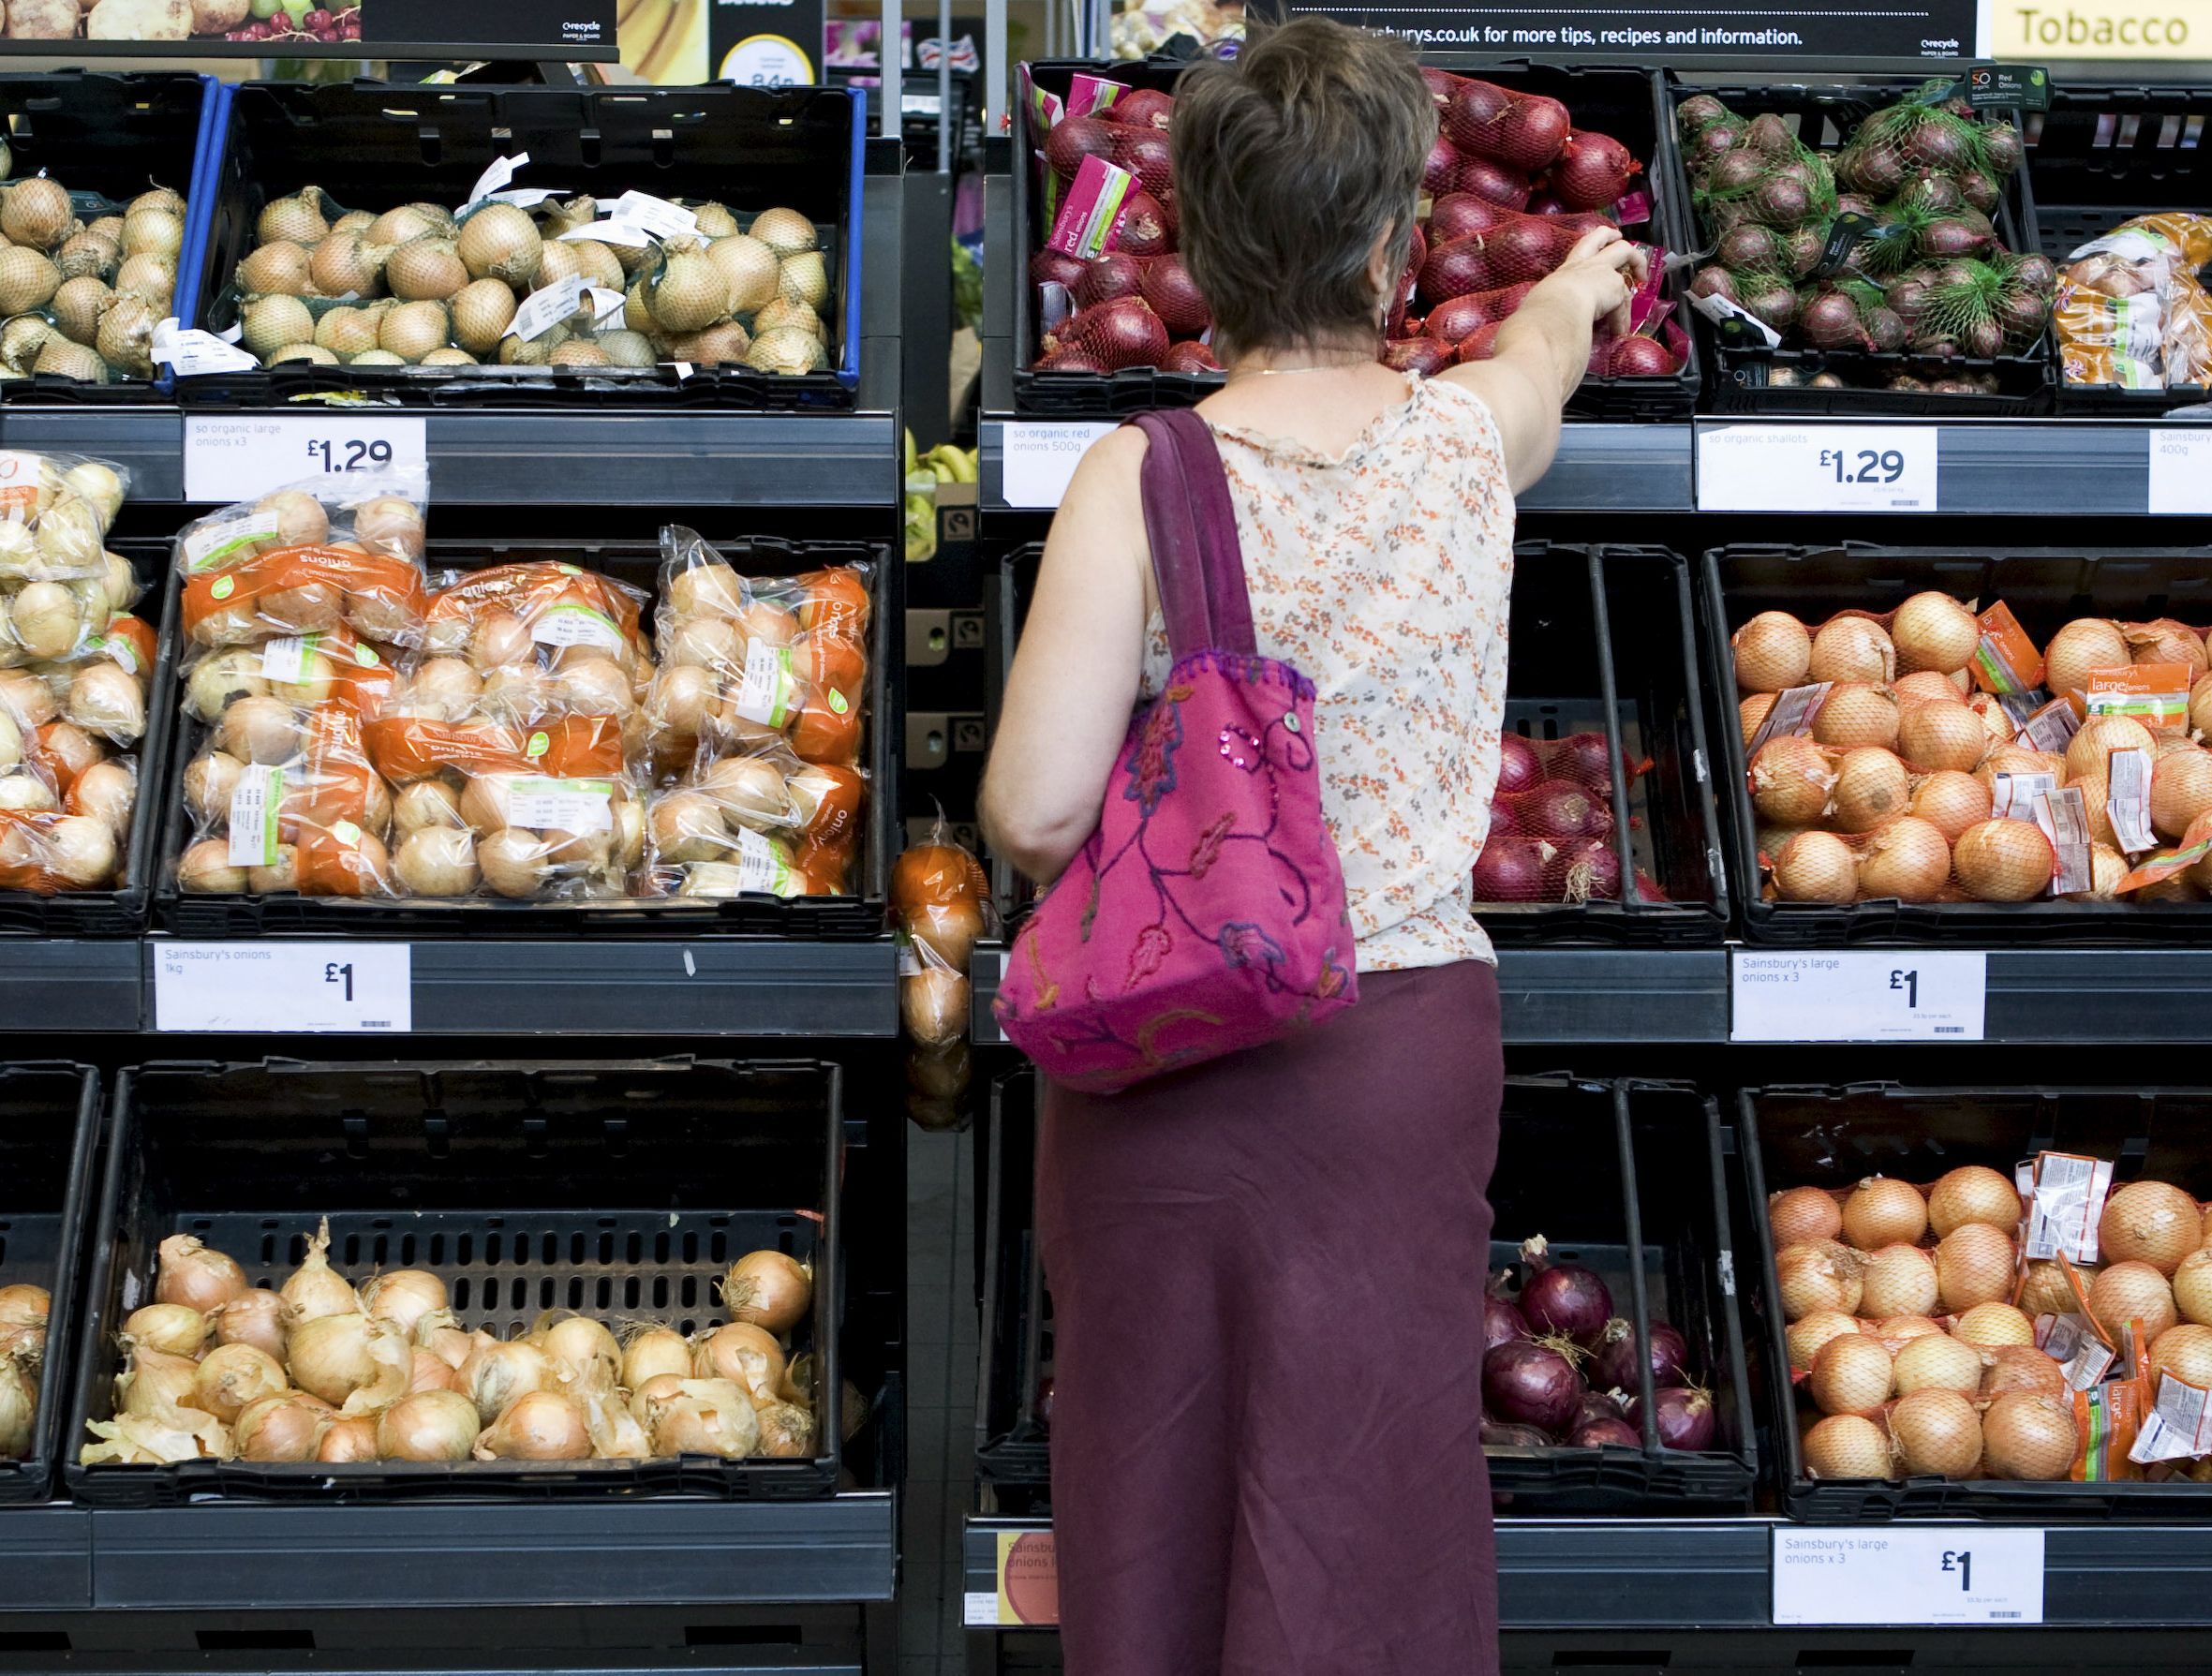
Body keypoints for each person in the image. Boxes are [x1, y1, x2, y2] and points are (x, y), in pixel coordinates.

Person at [978, 21, 1644, 1676]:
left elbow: (1034, 810)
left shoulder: (1137, 479)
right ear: (1391, 242)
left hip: (1172, 1049)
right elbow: (1538, 358)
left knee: (1157, 1482)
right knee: (1361, 1495)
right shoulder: (1462, 447)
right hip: (1397, 1054)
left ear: (1199, 245)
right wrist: (1577, 286)